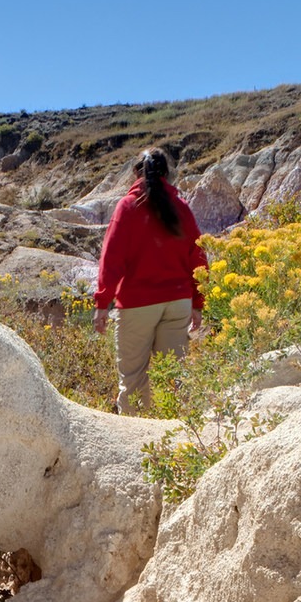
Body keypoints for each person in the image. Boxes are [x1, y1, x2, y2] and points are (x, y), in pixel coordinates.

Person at [93, 149, 206, 413]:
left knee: (133, 379)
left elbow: (112, 258)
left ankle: (134, 442)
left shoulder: (128, 206)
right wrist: (197, 302)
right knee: (174, 378)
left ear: (136, 173)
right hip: (178, 302)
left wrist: (102, 302)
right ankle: (178, 437)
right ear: (167, 173)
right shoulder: (181, 207)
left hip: (137, 304)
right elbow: (198, 254)